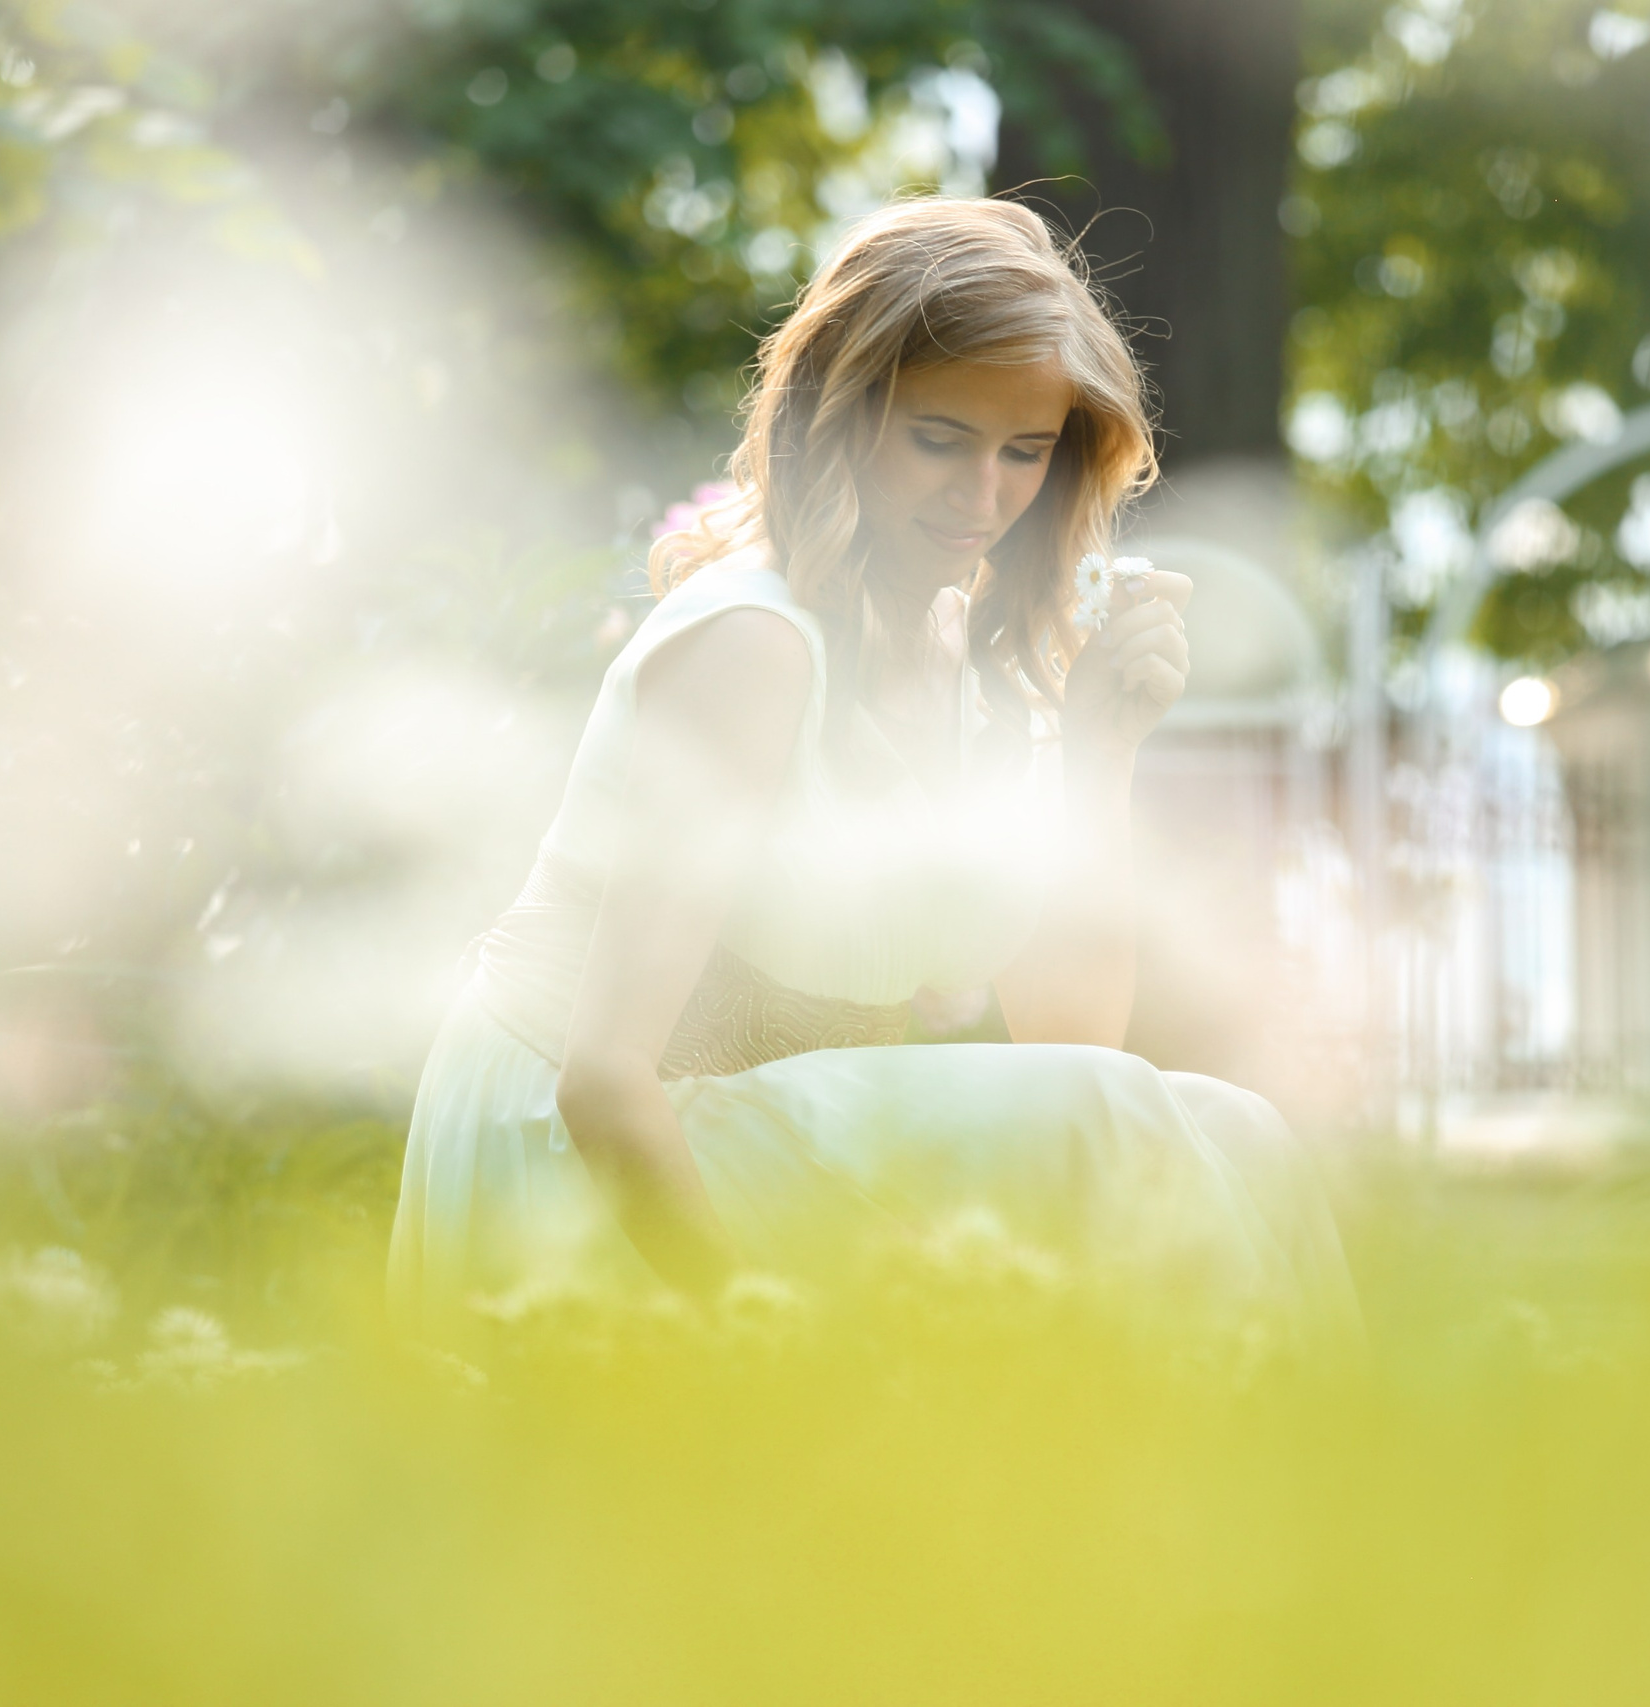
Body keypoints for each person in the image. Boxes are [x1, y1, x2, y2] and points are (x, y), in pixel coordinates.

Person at [387, 195, 1357, 1344]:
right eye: (939, 441)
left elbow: (1071, 1039)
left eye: (1026, 453)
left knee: (1241, 1137)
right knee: (1115, 1129)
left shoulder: (955, 646)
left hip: (764, 1127)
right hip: (583, 1158)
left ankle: (1288, 1498)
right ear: (840, 421)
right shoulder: (753, 645)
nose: (983, 499)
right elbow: (600, 1084)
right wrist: (763, 1333)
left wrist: (1099, 752)